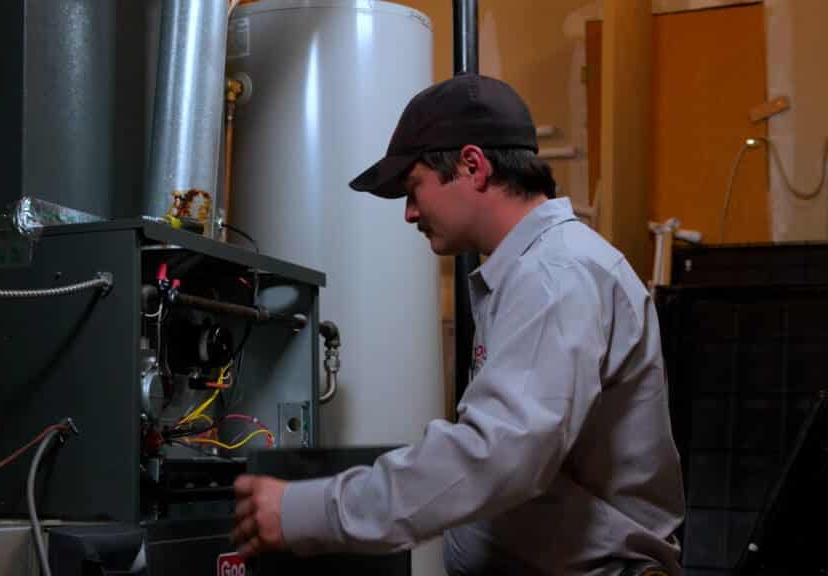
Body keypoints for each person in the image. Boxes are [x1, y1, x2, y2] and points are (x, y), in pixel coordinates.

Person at [232, 74, 686, 576]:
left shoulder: (555, 275)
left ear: (472, 166)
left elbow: (498, 455)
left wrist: (310, 511)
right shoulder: (539, 270)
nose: (409, 213)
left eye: (413, 187)